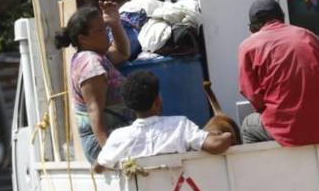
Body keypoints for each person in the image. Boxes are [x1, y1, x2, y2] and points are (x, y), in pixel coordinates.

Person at [238, 0, 319, 146]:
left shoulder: (248, 46)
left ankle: (265, 168)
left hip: (285, 128)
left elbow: (252, 94)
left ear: (253, 28)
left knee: (247, 127)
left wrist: (269, 109)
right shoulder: (307, 35)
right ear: (282, 18)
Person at [94, 71, 232, 172]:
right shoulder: (179, 125)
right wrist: (228, 135)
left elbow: (99, 167)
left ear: (130, 107)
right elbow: (216, 145)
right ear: (157, 102)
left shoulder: (118, 137)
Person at [55, 2, 134, 163]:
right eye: (100, 31)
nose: (105, 34)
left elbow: (122, 53)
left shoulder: (95, 56)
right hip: (101, 143)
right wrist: (109, 153)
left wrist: (114, 24)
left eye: (104, 29)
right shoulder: (91, 64)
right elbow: (94, 110)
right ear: (83, 39)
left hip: (115, 135)